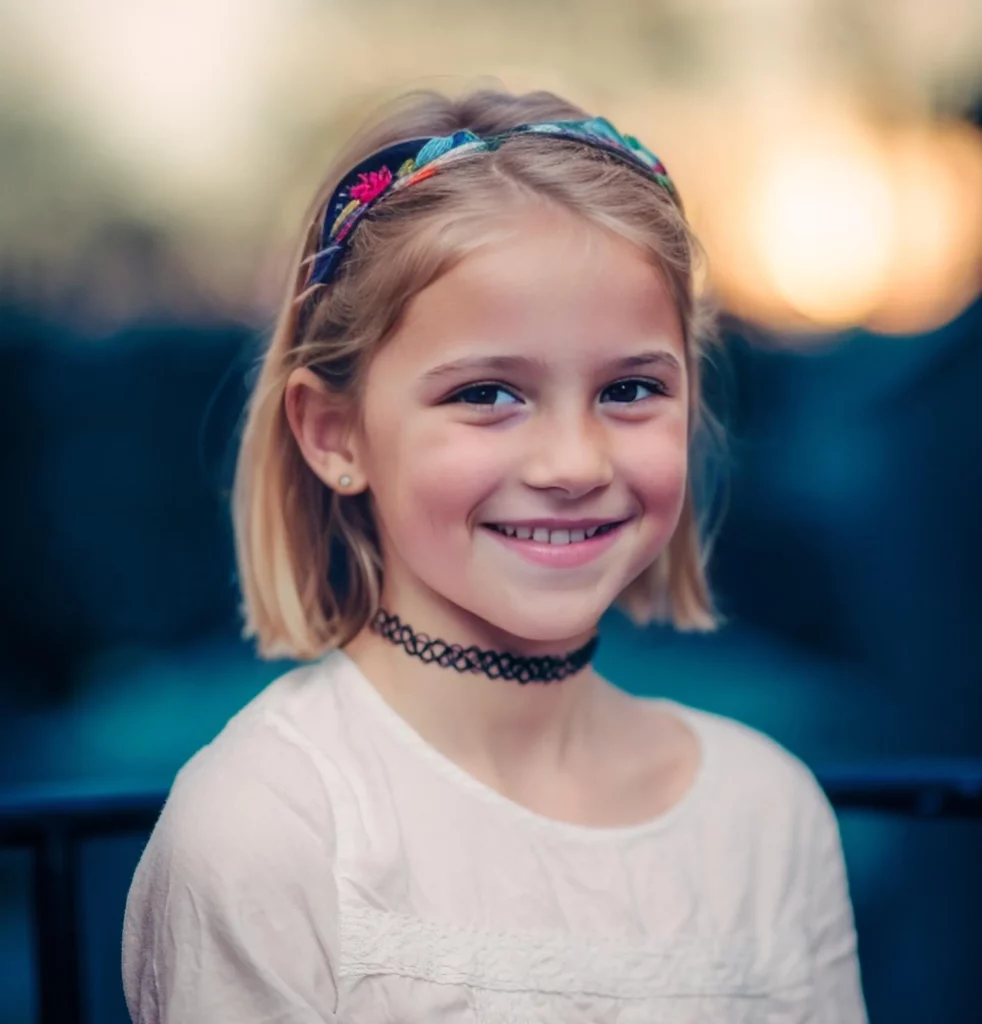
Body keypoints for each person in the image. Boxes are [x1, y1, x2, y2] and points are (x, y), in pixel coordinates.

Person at [121, 86, 868, 1023]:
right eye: (486, 395)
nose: (571, 463)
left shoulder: (769, 813)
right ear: (334, 434)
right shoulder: (269, 828)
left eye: (631, 387)